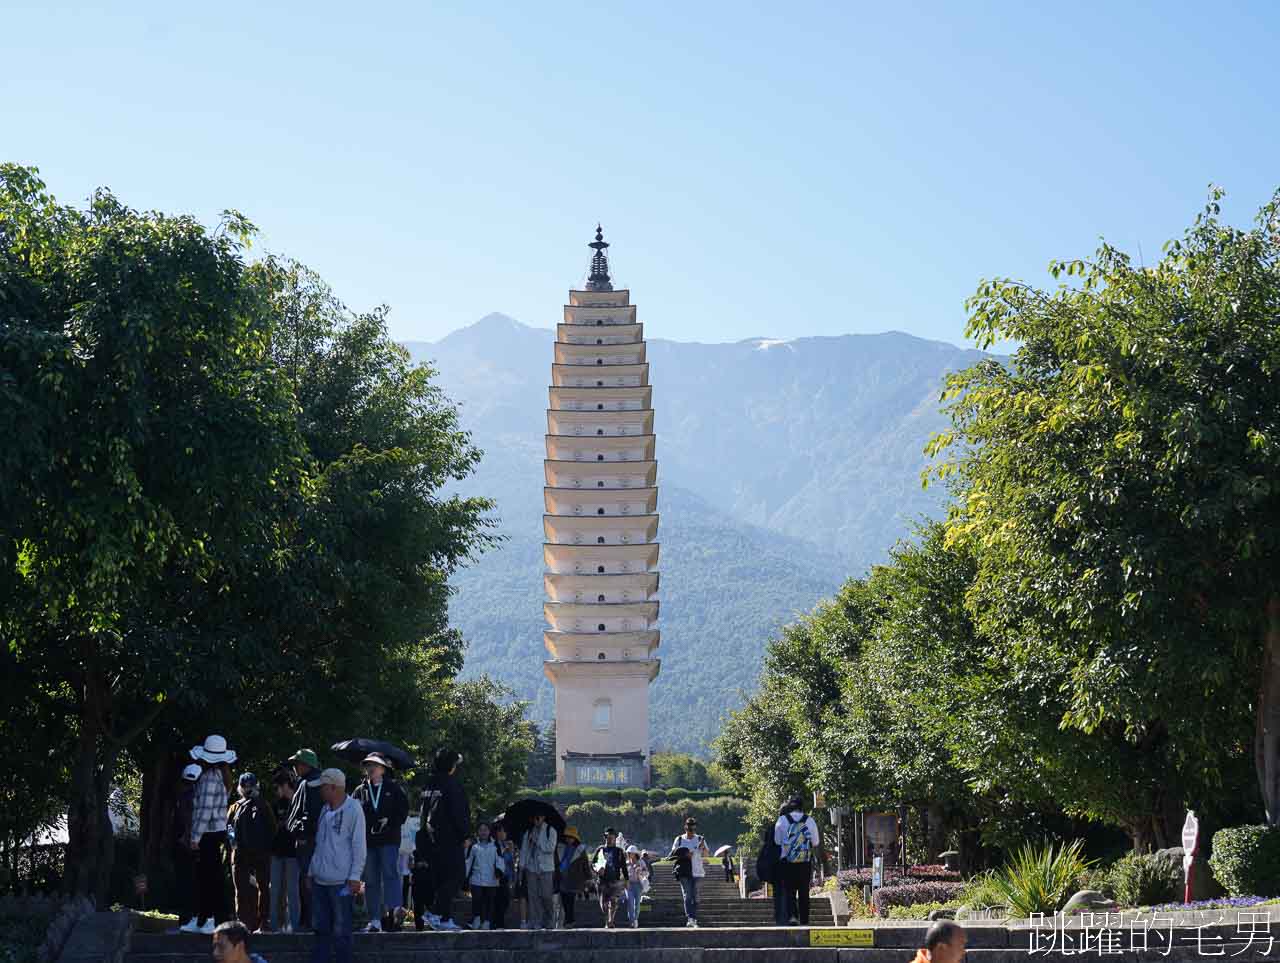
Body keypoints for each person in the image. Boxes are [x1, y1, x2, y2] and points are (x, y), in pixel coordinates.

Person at [305, 768, 365, 963]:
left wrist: (355, 876)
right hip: (320, 882)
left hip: (342, 884)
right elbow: (319, 844)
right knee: (320, 930)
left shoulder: (354, 809)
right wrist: (311, 871)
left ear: (333, 787)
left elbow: (359, 846)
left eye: (322, 787)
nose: (319, 791)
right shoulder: (324, 809)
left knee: (342, 932)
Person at [183, 734, 237, 935]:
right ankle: (202, 919)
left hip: (207, 833)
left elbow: (204, 811)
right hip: (216, 832)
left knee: (208, 878)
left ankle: (210, 919)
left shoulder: (207, 778)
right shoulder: (222, 776)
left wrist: (195, 837)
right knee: (210, 877)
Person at [351, 752, 410, 933]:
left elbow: (402, 812)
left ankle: (394, 915)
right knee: (370, 880)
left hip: (388, 840)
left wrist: (389, 821)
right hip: (368, 842)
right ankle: (375, 919)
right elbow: (353, 814)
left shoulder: (394, 788)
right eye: (367, 765)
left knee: (390, 875)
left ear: (383, 769)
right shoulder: (359, 791)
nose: (370, 769)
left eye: (374, 765)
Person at [420, 748, 469, 932]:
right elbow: (459, 813)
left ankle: (445, 918)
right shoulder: (451, 784)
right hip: (449, 839)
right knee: (457, 876)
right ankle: (434, 911)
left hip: (430, 839)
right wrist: (465, 835)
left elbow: (424, 813)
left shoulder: (429, 784)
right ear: (451, 765)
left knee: (441, 880)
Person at [228, 772, 275, 933]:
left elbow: (271, 828)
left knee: (258, 888)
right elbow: (229, 829)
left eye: (250, 787)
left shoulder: (261, 805)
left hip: (253, 855)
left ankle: (260, 921)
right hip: (246, 855)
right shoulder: (237, 807)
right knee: (245, 889)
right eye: (246, 787)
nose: (248, 790)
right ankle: (247, 922)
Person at [286, 749, 325, 930]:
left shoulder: (309, 783)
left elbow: (308, 814)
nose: (295, 767)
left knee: (308, 880)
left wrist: (300, 833)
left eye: (297, 763)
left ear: (305, 765)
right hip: (316, 840)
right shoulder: (317, 782)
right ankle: (313, 919)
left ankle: (310, 920)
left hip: (307, 841)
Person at [773, 796, 820, 925]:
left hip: (787, 861)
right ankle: (805, 920)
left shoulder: (782, 820)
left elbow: (777, 841)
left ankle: (793, 916)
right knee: (804, 891)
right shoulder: (809, 820)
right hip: (805, 861)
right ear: (801, 807)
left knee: (789, 891)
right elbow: (815, 842)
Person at [268, 771, 300, 933]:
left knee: (292, 891)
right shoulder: (276, 804)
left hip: (293, 854)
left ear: (285, 785)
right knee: (274, 890)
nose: (277, 791)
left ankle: (294, 925)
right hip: (276, 852)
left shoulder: (298, 802)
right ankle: (274, 925)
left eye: (278, 787)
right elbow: (270, 828)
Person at [175, 763, 202, 933]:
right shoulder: (199, 796)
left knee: (185, 882)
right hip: (196, 843)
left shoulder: (181, 797)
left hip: (184, 844)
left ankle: (186, 918)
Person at [669, 817, 711, 928]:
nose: (691, 831)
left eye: (692, 828)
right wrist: (685, 855)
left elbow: (706, 855)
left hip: (698, 872)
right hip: (683, 871)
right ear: (685, 828)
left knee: (696, 896)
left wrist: (703, 849)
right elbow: (673, 853)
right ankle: (691, 918)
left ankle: (694, 918)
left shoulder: (700, 839)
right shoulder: (679, 839)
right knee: (687, 895)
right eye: (689, 828)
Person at [519, 812, 558, 929]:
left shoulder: (550, 830)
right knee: (533, 896)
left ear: (544, 817)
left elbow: (550, 848)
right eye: (535, 816)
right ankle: (536, 921)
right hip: (531, 868)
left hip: (546, 868)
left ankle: (549, 919)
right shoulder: (528, 832)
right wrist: (521, 867)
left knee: (546, 895)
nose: (537, 818)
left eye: (539, 816)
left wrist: (537, 840)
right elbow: (524, 850)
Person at [463, 821, 501, 930]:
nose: (483, 832)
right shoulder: (474, 846)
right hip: (476, 879)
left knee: (489, 902)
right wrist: (464, 877)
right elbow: (468, 862)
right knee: (476, 900)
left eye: (485, 830)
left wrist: (499, 871)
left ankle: (487, 922)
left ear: (489, 832)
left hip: (491, 879)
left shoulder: (495, 845)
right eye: (481, 830)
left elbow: (500, 860)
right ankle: (477, 919)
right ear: (477, 832)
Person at [593, 828, 629, 929]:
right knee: (603, 903)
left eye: (611, 837)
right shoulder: (600, 849)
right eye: (607, 837)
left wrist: (626, 880)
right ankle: (606, 919)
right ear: (605, 837)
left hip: (615, 880)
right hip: (602, 880)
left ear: (615, 838)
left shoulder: (619, 851)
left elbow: (623, 866)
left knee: (614, 902)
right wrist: (597, 869)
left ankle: (611, 920)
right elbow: (593, 863)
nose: (609, 839)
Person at [555, 826, 588, 929]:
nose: (569, 839)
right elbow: (556, 862)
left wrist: (588, 879)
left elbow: (585, 865)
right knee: (565, 901)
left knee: (570, 901)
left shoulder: (580, 850)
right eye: (567, 837)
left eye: (571, 837)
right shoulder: (560, 848)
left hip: (574, 879)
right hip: (562, 878)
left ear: (575, 838)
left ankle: (570, 920)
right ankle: (568, 921)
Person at [493, 825, 516, 929]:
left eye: (504, 831)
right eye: (500, 831)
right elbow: (495, 860)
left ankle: (499, 923)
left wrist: (511, 851)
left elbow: (511, 863)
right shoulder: (494, 844)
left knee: (506, 900)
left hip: (506, 876)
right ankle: (498, 923)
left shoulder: (508, 844)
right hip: (497, 876)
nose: (502, 833)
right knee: (499, 900)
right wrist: (504, 851)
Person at [624, 844, 648, 929]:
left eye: (631, 853)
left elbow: (646, 873)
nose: (630, 854)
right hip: (629, 884)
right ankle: (631, 921)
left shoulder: (641, 862)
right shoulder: (626, 863)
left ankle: (635, 919)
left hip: (638, 884)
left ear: (635, 854)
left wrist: (640, 871)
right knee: (630, 903)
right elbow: (622, 874)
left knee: (637, 904)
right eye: (629, 853)